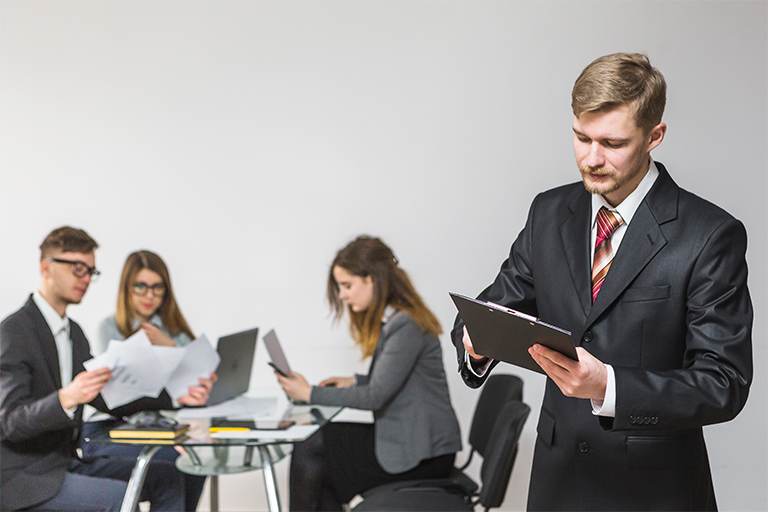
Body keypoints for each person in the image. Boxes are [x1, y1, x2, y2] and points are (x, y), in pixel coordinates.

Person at [452, 52, 753, 511]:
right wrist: (476, 342)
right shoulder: (547, 213)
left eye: (612, 143)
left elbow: (723, 383)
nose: (592, 158)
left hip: (653, 493)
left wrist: (609, 386)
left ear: (655, 136)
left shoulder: (710, 235)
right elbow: (496, 306)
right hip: (556, 483)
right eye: (580, 137)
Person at [0, 227, 209, 512]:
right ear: (45, 267)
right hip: (27, 478)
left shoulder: (74, 333)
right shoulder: (14, 332)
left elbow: (107, 398)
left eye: (90, 271)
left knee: (168, 478)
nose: (86, 278)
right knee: (122, 498)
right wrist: (65, 398)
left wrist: (174, 399)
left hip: (67, 463)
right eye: (77, 268)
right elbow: (11, 421)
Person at [276, 235, 462, 511]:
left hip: (422, 454)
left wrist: (309, 393)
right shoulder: (401, 320)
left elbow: (376, 396)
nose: (342, 295)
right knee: (316, 456)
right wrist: (353, 381)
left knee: (313, 448)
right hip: (412, 441)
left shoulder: (406, 326)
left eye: (347, 285)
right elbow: (395, 380)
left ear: (372, 280)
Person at [81, 250, 209, 511]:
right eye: (141, 287)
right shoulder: (109, 328)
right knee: (176, 460)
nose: (149, 296)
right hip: (112, 427)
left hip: (159, 427)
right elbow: (114, 397)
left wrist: (170, 346)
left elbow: (197, 387)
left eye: (157, 288)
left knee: (197, 458)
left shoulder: (174, 331)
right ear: (127, 289)